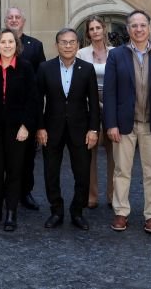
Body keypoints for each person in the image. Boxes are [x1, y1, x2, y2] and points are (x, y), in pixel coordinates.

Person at [103, 10, 151, 235]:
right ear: (128, 29)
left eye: (142, 25)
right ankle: (121, 212)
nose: (139, 29)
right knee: (122, 171)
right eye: (134, 26)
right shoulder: (116, 55)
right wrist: (111, 124)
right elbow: (110, 92)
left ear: (149, 28)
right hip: (124, 124)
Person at [36, 28, 100, 230]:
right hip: (51, 128)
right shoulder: (45, 68)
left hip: (80, 129)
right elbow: (38, 101)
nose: (68, 45)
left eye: (72, 42)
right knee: (50, 172)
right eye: (63, 42)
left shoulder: (87, 69)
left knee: (82, 173)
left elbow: (93, 102)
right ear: (57, 45)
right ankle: (56, 210)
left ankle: (77, 211)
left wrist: (93, 130)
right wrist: (40, 127)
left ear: (78, 45)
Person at [0, 28, 39, 232]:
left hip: (17, 129)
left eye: (11, 42)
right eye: (3, 42)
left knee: (15, 172)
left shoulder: (26, 67)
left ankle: (11, 212)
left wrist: (26, 126)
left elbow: (33, 100)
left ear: (17, 45)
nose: (7, 45)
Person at [4, 6, 46, 211]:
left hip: (28, 110)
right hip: (3, 111)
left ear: (23, 21)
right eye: (10, 17)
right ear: (6, 21)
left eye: (17, 17)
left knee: (28, 155)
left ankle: (25, 192)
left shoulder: (35, 46)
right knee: (4, 155)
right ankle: (5, 191)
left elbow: (42, 79)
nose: (13, 20)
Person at [76, 15, 114, 209]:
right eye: (92, 29)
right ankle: (91, 195)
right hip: (90, 106)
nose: (95, 31)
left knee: (113, 153)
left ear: (104, 29)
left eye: (98, 28)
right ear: (88, 33)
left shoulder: (116, 52)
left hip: (112, 106)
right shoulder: (81, 53)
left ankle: (112, 195)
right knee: (89, 154)